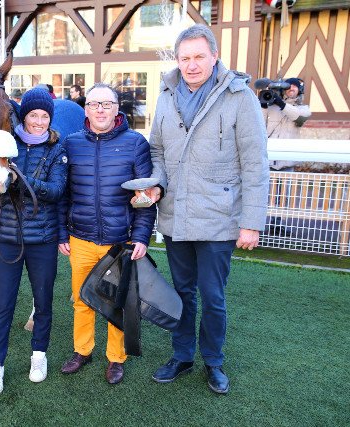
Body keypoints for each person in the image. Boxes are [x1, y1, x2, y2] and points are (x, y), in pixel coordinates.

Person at [146, 24, 269, 395]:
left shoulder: (239, 97)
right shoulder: (166, 94)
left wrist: (251, 222)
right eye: (185, 58)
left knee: (213, 296)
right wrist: (157, 183)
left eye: (199, 56)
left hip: (219, 218)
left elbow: (255, 163)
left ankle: (213, 361)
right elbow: (157, 151)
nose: (192, 65)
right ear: (177, 60)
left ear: (214, 56)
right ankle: (182, 356)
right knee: (182, 293)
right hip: (176, 215)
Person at [58, 82, 156, 385]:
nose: (100, 110)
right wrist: (62, 233)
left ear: (117, 109)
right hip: (80, 238)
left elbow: (145, 196)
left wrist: (141, 236)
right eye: (94, 104)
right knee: (81, 299)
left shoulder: (135, 143)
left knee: (117, 302)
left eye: (107, 104)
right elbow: (63, 194)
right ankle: (82, 350)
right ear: (86, 109)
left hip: (119, 241)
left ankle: (116, 357)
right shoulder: (71, 143)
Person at [0, 88, 67, 395]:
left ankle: (38, 356)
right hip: (8, 238)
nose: (39, 122)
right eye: (33, 115)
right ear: (23, 117)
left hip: (42, 239)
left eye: (44, 116)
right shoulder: (6, 145)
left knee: (43, 302)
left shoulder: (57, 149)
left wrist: (19, 180)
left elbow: (56, 191)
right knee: (2, 305)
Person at [263, 77, 311, 172]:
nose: (291, 88)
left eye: (294, 86)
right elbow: (259, 123)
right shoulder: (271, 108)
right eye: (288, 86)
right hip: (268, 160)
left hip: (288, 162)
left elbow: (298, 117)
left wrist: (281, 104)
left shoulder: (304, 109)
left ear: (300, 90)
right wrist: (263, 105)